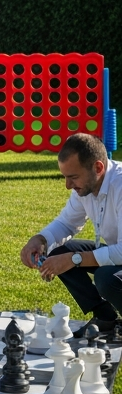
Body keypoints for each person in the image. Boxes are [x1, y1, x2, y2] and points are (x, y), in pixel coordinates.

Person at [19, 133, 122, 337]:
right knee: (58, 251)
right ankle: (105, 318)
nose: (68, 185)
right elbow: (66, 223)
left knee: (105, 277)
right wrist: (40, 240)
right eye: (65, 177)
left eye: (73, 177)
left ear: (98, 168)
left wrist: (73, 259)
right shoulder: (87, 186)